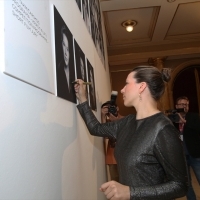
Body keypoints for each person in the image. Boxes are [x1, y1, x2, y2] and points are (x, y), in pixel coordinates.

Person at [74, 65, 188, 200]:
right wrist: (82, 99)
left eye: (127, 84)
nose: (122, 89)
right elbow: (96, 128)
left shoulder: (163, 129)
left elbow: (180, 186)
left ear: (141, 87)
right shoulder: (127, 122)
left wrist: (130, 192)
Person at [173, 96, 200, 200]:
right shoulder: (173, 119)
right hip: (181, 157)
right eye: (182, 104)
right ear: (176, 106)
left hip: (195, 154)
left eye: (187, 105)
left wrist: (185, 122)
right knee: (187, 183)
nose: (185, 107)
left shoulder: (194, 116)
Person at [101, 101, 124, 182]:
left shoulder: (126, 120)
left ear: (117, 108)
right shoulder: (107, 123)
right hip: (112, 157)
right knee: (115, 182)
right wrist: (103, 117)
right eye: (107, 109)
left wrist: (115, 120)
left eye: (111, 107)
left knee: (127, 182)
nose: (110, 110)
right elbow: (104, 134)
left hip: (124, 157)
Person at [56, 25, 76, 103]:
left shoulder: (74, 75)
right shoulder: (58, 71)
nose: (65, 53)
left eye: (67, 49)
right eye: (64, 45)